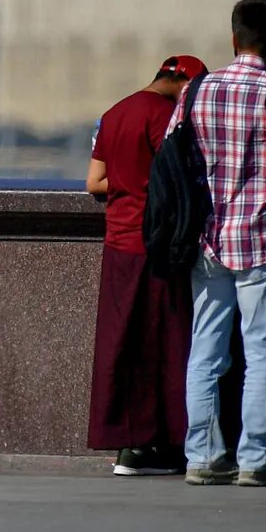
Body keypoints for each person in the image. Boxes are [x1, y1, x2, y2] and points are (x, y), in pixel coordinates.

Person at [169, 0, 266, 488]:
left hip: (209, 240)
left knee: (206, 350)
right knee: (263, 352)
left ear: (233, 37)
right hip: (264, 239)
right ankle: (254, 459)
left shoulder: (198, 90)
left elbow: (174, 147)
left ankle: (202, 455)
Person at [84, 54, 206, 476]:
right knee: (165, 346)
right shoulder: (166, 116)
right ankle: (161, 444)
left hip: (117, 244)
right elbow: (180, 179)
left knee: (121, 344)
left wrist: (129, 184)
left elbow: (94, 182)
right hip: (155, 246)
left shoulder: (113, 113)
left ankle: (124, 445)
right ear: (184, 83)